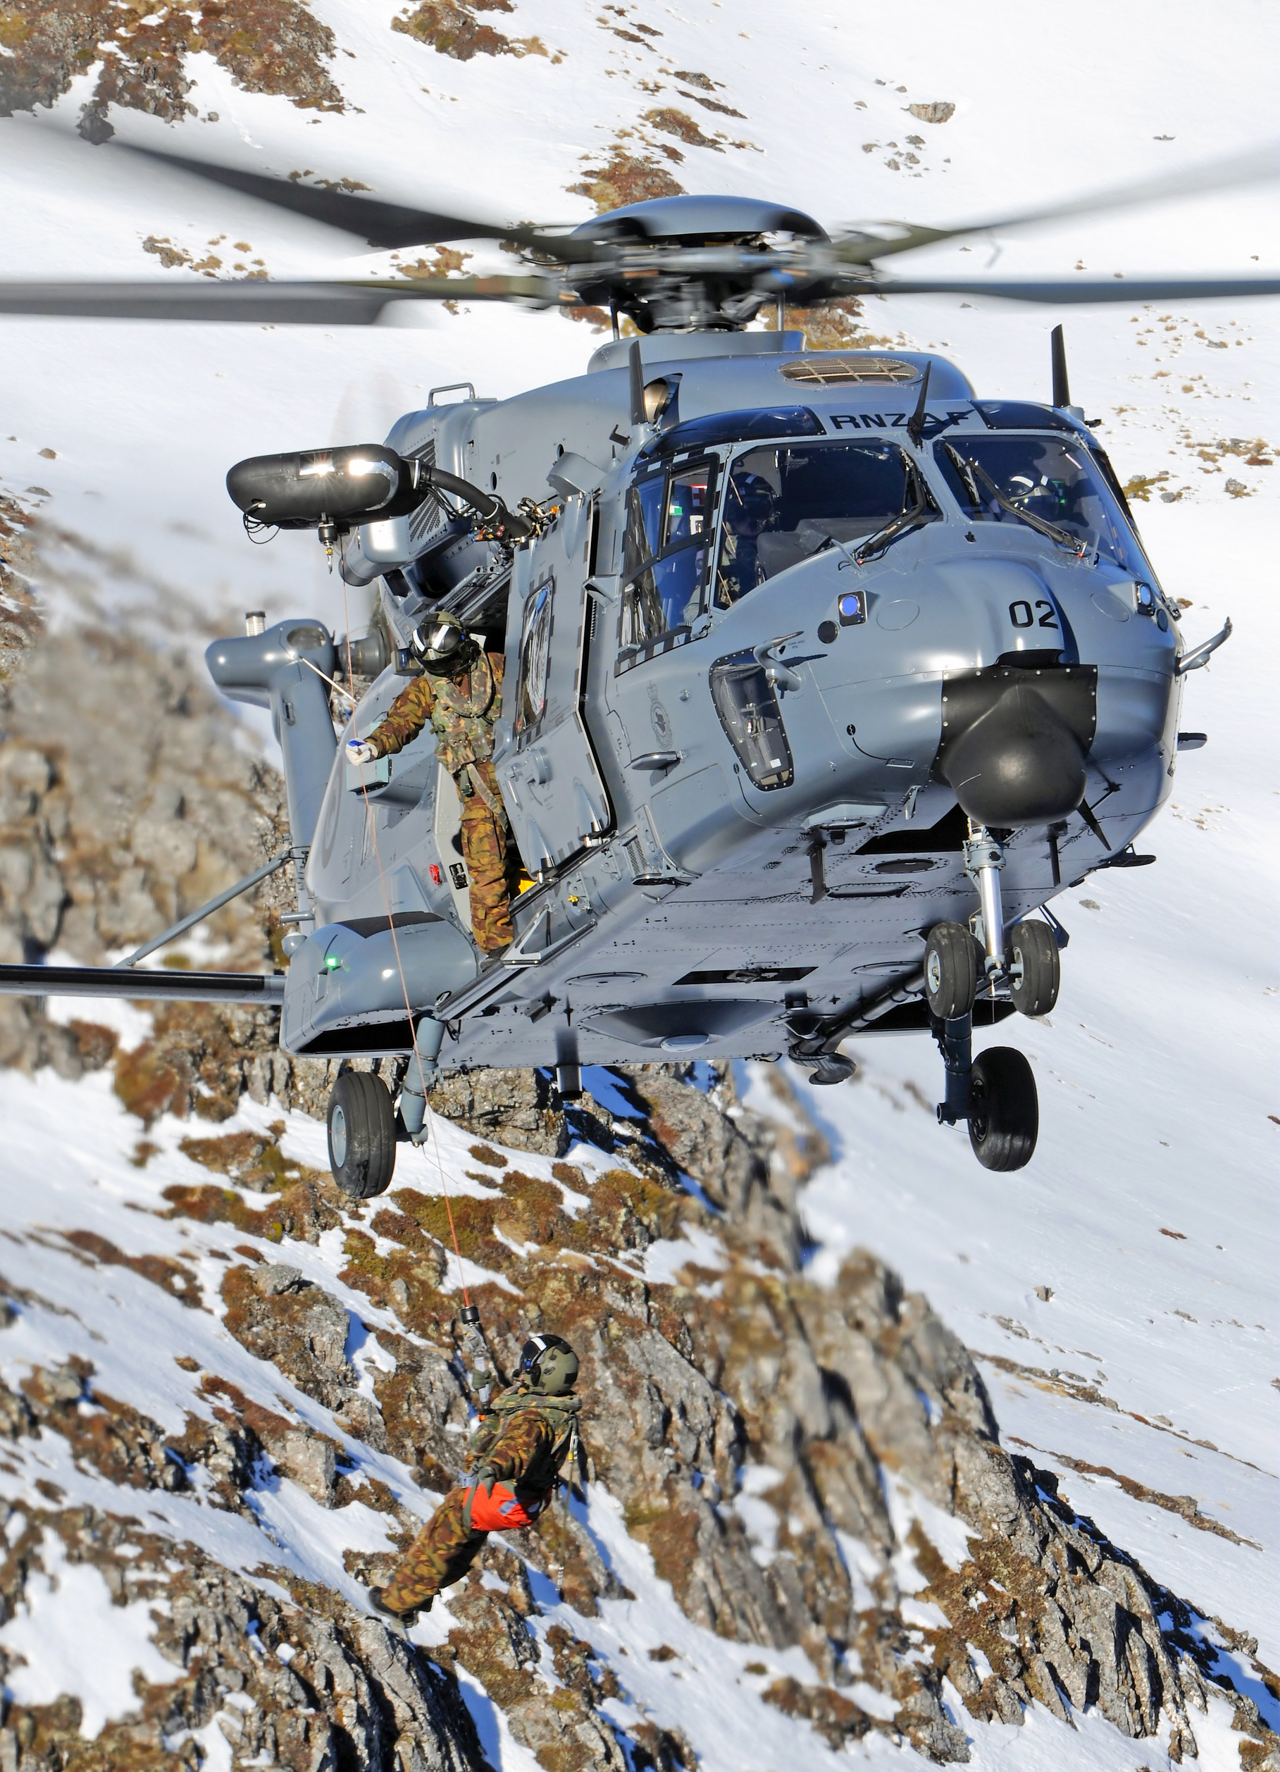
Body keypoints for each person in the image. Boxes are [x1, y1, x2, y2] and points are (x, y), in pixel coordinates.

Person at [368, 1333, 583, 1622]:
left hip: (506, 1495)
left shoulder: (534, 1421)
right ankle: (421, 1587)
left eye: (530, 1362)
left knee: (446, 1526)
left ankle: (398, 1602)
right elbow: (513, 1417)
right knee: (467, 1530)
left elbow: (517, 1448)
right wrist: (491, 1390)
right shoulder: (553, 1404)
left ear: (545, 1373)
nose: (524, 1365)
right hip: (526, 1500)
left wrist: (493, 1467)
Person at [347, 612, 515, 953]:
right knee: (486, 868)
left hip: (515, 765)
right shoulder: (427, 688)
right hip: (479, 789)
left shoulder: (497, 667)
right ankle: (496, 946)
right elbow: (401, 722)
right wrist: (373, 746)